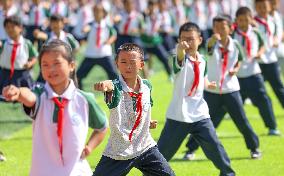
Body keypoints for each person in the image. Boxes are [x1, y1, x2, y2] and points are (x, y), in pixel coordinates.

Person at [2, 39, 108, 176]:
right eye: (45, 65)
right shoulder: (40, 95)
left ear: (71, 65)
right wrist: (18, 92)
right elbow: (29, 96)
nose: (50, 69)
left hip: (77, 172)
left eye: (56, 63)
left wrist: (89, 147)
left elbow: (102, 127)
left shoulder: (84, 100)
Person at [157, 22, 235, 176]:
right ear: (179, 41)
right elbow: (179, 58)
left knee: (215, 147)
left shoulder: (203, 60)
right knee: (160, 156)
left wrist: (208, 84)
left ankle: (228, 174)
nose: (187, 43)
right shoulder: (178, 58)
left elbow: (202, 78)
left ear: (200, 39)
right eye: (183, 39)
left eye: (191, 39)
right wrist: (180, 50)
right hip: (179, 115)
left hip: (200, 114)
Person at [185, 15, 261, 160]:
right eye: (216, 27)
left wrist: (236, 69)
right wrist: (213, 39)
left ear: (231, 28)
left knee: (242, 121)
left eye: (222, 27)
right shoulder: (211, 43)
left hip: (231, 90)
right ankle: (190, 150)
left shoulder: (236, 45)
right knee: (203, 122)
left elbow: (240, 59)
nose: (219, 30)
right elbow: (208, 49)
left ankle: (254, 148)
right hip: (212, 91)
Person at [93, 43, 175, 176]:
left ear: (141, 64)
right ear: (117, 64)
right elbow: (110, 85)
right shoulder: (116, 88)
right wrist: (105, 85)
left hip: (145, 147)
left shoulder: (147, 86)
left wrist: (148, 122)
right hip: (119, 152)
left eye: (132, 62)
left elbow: (144, 108)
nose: (128, 66)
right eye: (123, 62)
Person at [233, 6, 280, 135]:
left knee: (263, 100)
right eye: (240, 20)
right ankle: (203, 131)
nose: (243, 23)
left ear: (251, 19)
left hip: (254, 73)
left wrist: (259, 53)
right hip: (236, 76)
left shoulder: (256, 32)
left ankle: (272, 127)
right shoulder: (232, 34)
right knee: (227, 106)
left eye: (246, 20)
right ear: (236, 21)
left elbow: (263, 45)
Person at [77, 3, 118, 89]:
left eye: (98, 12)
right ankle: (81, 93)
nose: (96, 14)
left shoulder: (107, 25)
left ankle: (116, 93)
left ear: (103, 13)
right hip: (91, 54)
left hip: (104, 54)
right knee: (78, 76)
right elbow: (86, 29)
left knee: (114, 75)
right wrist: (85, 30)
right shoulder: (91, 24)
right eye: (94, 12)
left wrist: (109, 41)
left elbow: (114, 34)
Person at [254, 0, 284, 108]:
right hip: (258, 62)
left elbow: (277, 33)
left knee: (278, 87)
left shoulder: (273, 20)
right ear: (255, 8)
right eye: (259, 7)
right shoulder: (253, 22)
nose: (262, 9)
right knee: (252, 90)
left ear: (270, 7)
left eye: (264, 7)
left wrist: (277, 39)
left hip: (271, 60)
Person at [0, 15, 38, 95]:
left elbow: (34, 56)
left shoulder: (26, 43)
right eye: (7, 27)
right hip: (5, 73)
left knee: (24, 93)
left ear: (20, 28)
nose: (10, 29)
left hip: (21, 74)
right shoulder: (3, 43)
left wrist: (30, 63)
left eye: (13, 26)